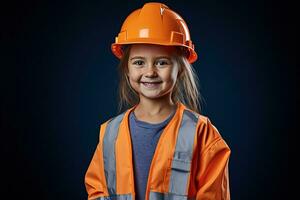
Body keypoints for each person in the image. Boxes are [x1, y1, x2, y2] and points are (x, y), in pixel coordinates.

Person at [85, 2, 231, 200]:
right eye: (139, 62)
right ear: (127, 69)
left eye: (162, 62)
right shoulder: (110, 133)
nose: (150, 72)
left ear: (179, 68)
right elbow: (97, 190)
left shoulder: (202, 133)